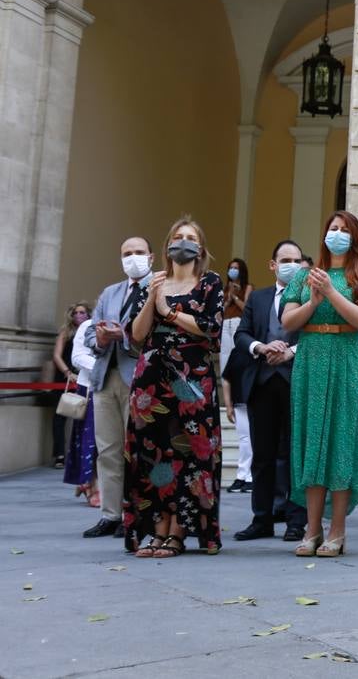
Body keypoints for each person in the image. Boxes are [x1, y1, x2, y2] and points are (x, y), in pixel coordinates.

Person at [281, 211, 358, 557]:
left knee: (341, 442)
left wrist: (329, 292)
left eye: (344, 230)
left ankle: (337, 531)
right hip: (311, 357)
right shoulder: (303, 276)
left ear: (355, 237)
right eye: (332, 228)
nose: (337, 234)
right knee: (313, 440)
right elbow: (287, 321)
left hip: (344, 356)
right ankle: (311, 530)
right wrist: (313, 300)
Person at [123, 218, 225, 557]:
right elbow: (137, 335)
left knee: (188, 454)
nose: (184, 242)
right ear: (168, 245)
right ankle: (156, 530)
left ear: (200, 247)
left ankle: (178, 533)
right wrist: (154, 299)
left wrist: (170, 311)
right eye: (178, 237)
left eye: (190, 238)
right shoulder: (154, 282)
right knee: (154, 454)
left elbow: (211, 327)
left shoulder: (209, 282)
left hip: (192, 380)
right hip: (151, 380)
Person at [228, 240, 308, 542]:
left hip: (295, 381)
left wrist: (291, 351)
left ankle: (295, 521)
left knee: (294, 454)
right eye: (284, 259)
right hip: (261, 382)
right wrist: (261, 347)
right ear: (272, 264)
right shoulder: (258, 298)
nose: (291, 264)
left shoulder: (310, 296)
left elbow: (314, 337)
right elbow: (241, 334)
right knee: (262, 455)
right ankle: (261, 519)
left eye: (296, 259)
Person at [81, 236, 152, 539]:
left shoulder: (155, 290)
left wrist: (122, 335)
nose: (132, 257)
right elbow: (88, 334)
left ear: (150, 257)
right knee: (108, 450)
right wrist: (100, 337)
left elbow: (152, 336)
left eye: (138, 252)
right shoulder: (110, 293)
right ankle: (110, 513)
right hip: (104, 378)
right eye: (127, 253)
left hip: (137, 378)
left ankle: (134, 513)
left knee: (135, 450)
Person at [220, 257, 254, 494]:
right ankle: (244, 475)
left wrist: (235, 297)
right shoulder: (223, 289)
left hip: (239, 322)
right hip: (226, 325)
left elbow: (246, 309)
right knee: (228, 362)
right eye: (229, 267)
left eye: (236, 268)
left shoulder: (248, 289)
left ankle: (247, 476)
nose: (232, 271)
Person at [63, 302, 99, 506]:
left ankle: (93, 484)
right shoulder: (89, 326)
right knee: (90, 440)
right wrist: (104, 367)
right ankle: (91, 484)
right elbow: (77, 357)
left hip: (121, 388)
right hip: (90, 389)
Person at [51, 301, 91, 470]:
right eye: (75, 312)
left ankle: (81, 454)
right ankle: (59, 454)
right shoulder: (66, 332)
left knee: (84, 415)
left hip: (85, 377)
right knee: (60, 417)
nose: (78, 315)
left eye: (82, 312)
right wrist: (68, 373)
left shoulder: (92, 329)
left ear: (88, 314)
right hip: (65, 378)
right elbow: (57, 355)